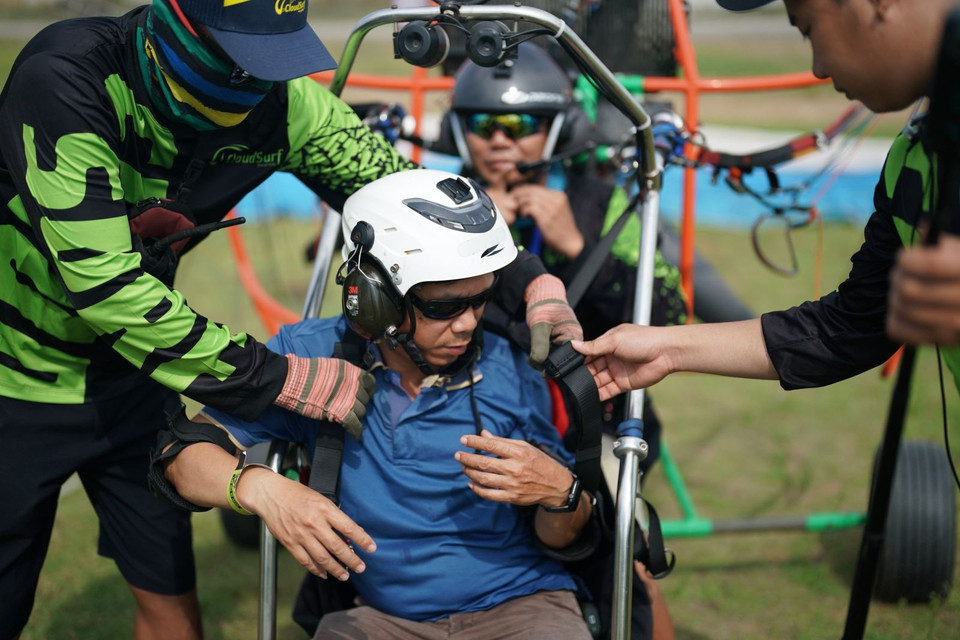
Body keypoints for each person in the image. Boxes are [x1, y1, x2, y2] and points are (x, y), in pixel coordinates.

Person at [0, 1, 581, 637]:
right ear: (177, 26)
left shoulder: (289, 106)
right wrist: (278, 379)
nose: (260, 83)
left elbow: (411, 199)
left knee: (168, 591)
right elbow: (106, 285)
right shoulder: (69, 76)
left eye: (272, 57)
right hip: (12, 377)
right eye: (243, 57)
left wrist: (532, 281)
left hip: (141, 372)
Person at [155, 169, 602, 639]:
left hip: (524, 605)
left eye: (482, 299)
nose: (470, 323)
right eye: (446, 306)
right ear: (375, 299)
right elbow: (180, 461)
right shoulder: (310, 359)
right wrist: (263, 489)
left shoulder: (509, 359)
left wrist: (563, 492)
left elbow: (560, 537)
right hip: (377, 619)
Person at [573, 0, 960, 400]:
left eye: (808, 29)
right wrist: (667, 349)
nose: (818, 68)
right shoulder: (911, 158)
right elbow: (849, 328)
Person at [445, 42, 687, 470]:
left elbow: (668, 313)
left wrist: (578, 247)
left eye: (520, 126)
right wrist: (473, 237)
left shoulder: (602, 202)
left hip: (589, 426)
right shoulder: (439, 203)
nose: (500, 139)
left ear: (558, 128)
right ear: (459, 130)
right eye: (483, 124)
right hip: (464, 419)